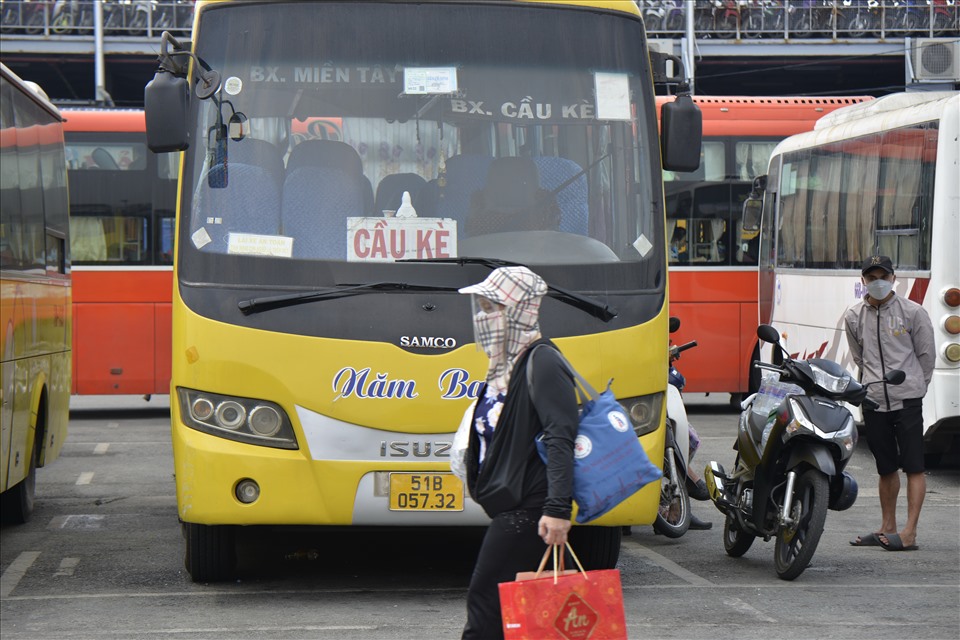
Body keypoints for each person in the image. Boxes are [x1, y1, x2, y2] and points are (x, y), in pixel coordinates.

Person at [458, 266, 578, 640]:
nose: (483, 316)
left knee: (485, 602)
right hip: (513, 504)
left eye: (491, 307)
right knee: (506, 609)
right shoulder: (507, 363)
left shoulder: (543, 361)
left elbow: (561, 436)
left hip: (531, 507)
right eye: (480, 306)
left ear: (519, 311)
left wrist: (558, 509)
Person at [844, 256, 935, 552]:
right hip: (873, 400)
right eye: (872, 278)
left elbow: (926, 357)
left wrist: (915, 387)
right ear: (863, 282)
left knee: (914, 467)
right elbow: (859, 357)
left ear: (894, 278)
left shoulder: (913, 313)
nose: (877, 282)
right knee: (885, 468)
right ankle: (888, 527)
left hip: (906, 399)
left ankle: (910, 532)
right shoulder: (854, 316)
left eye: (883, 276)